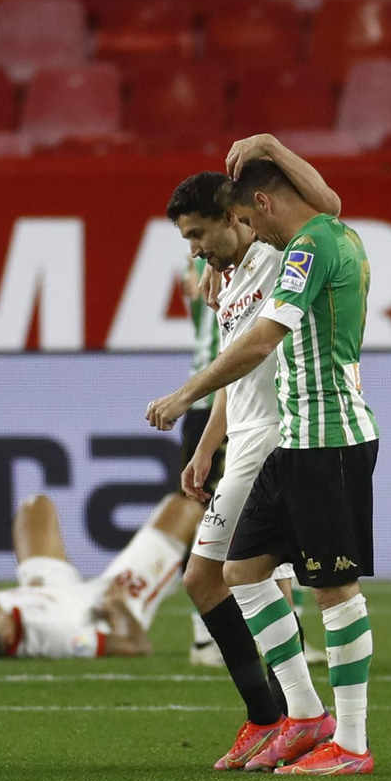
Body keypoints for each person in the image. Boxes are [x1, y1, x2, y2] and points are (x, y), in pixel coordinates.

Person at [147, 139, 378, 777]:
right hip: (274, 433)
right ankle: (295, 716)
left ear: (246, 211)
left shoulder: (292, 251)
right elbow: (242, 371)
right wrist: (205, 445)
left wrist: (184, 395)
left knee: (320, 582)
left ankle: (342, 739)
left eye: (201, 234)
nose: (195, 250)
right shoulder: (238, 276)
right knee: (243, 572)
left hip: (309, 431)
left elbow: (326, 204)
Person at [0, 493, 194, 659]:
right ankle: (209, 635)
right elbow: (135, 646)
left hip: (47, 587)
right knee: (184, 509)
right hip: (102, 603)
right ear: (7, 635)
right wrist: (116, 604)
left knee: (34, 504)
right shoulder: (53, 637)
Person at [181, 253, 229, 666]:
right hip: (220, 396)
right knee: (206, 515)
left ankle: (206, 637)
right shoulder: (223, 256)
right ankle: (203, 638)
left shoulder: (202, 261)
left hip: (213, 394)